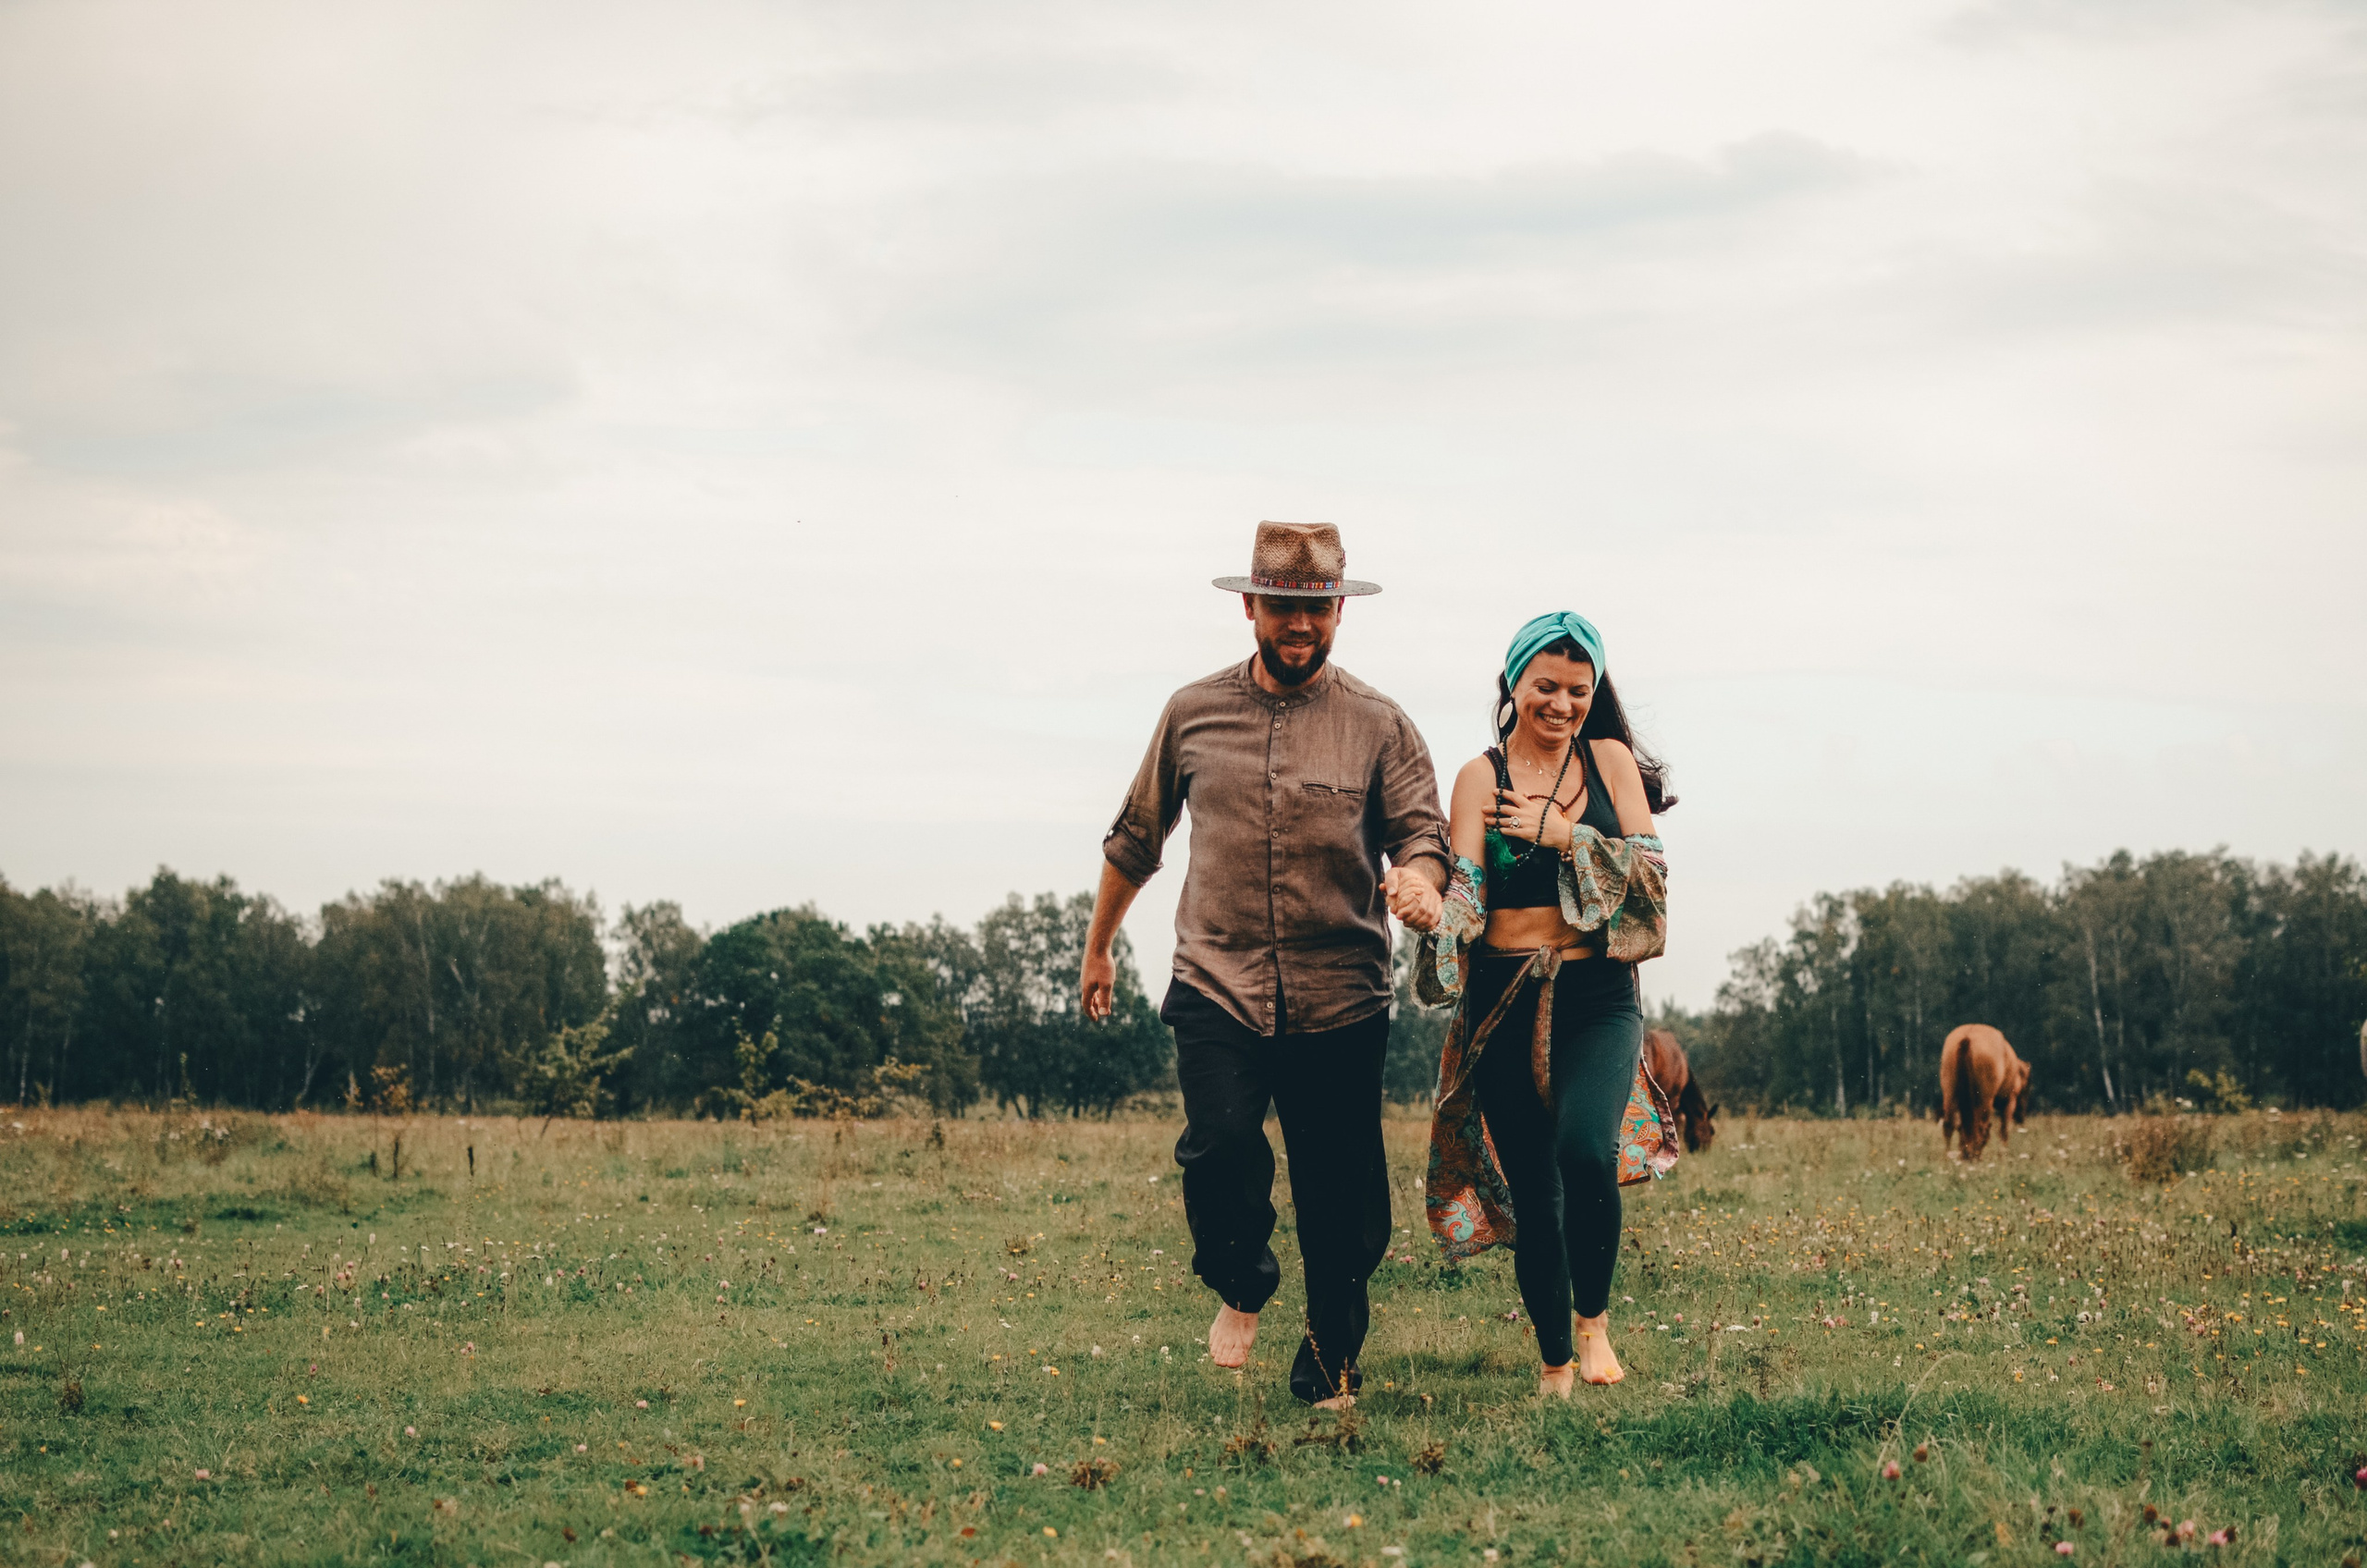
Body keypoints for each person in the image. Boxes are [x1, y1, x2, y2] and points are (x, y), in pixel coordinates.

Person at [1081, 521, 1450, 1409]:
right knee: (1217, 1150)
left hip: (1341, 994)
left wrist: (1425, 888)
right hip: (1217, 980)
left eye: (1317, 608)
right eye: (1284, 605)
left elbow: (1424, 838)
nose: (1300, 623)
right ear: (1251, 605)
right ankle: (1242, 1279)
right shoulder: (1190, 713)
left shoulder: (1379, 724)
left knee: (1341, 1197)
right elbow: (1137, 837)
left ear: (1337, 613)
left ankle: (1330, 1363)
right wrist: (1098, 948)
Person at [1399, 611, 1675, 1396]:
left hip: (1596, 994)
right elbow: (1466, 897)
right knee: (1533, 1191)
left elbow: (1651, 877)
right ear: (1514, 684)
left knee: (1585, 1150)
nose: (1561, 704)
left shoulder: (1610, 761)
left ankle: (1594, 1324)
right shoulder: (1478, 778)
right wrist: (1427, 909)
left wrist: (1563, 834)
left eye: (1577, 691)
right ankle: (1554, 1361)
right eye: (1545, 687)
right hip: (1501, 997)